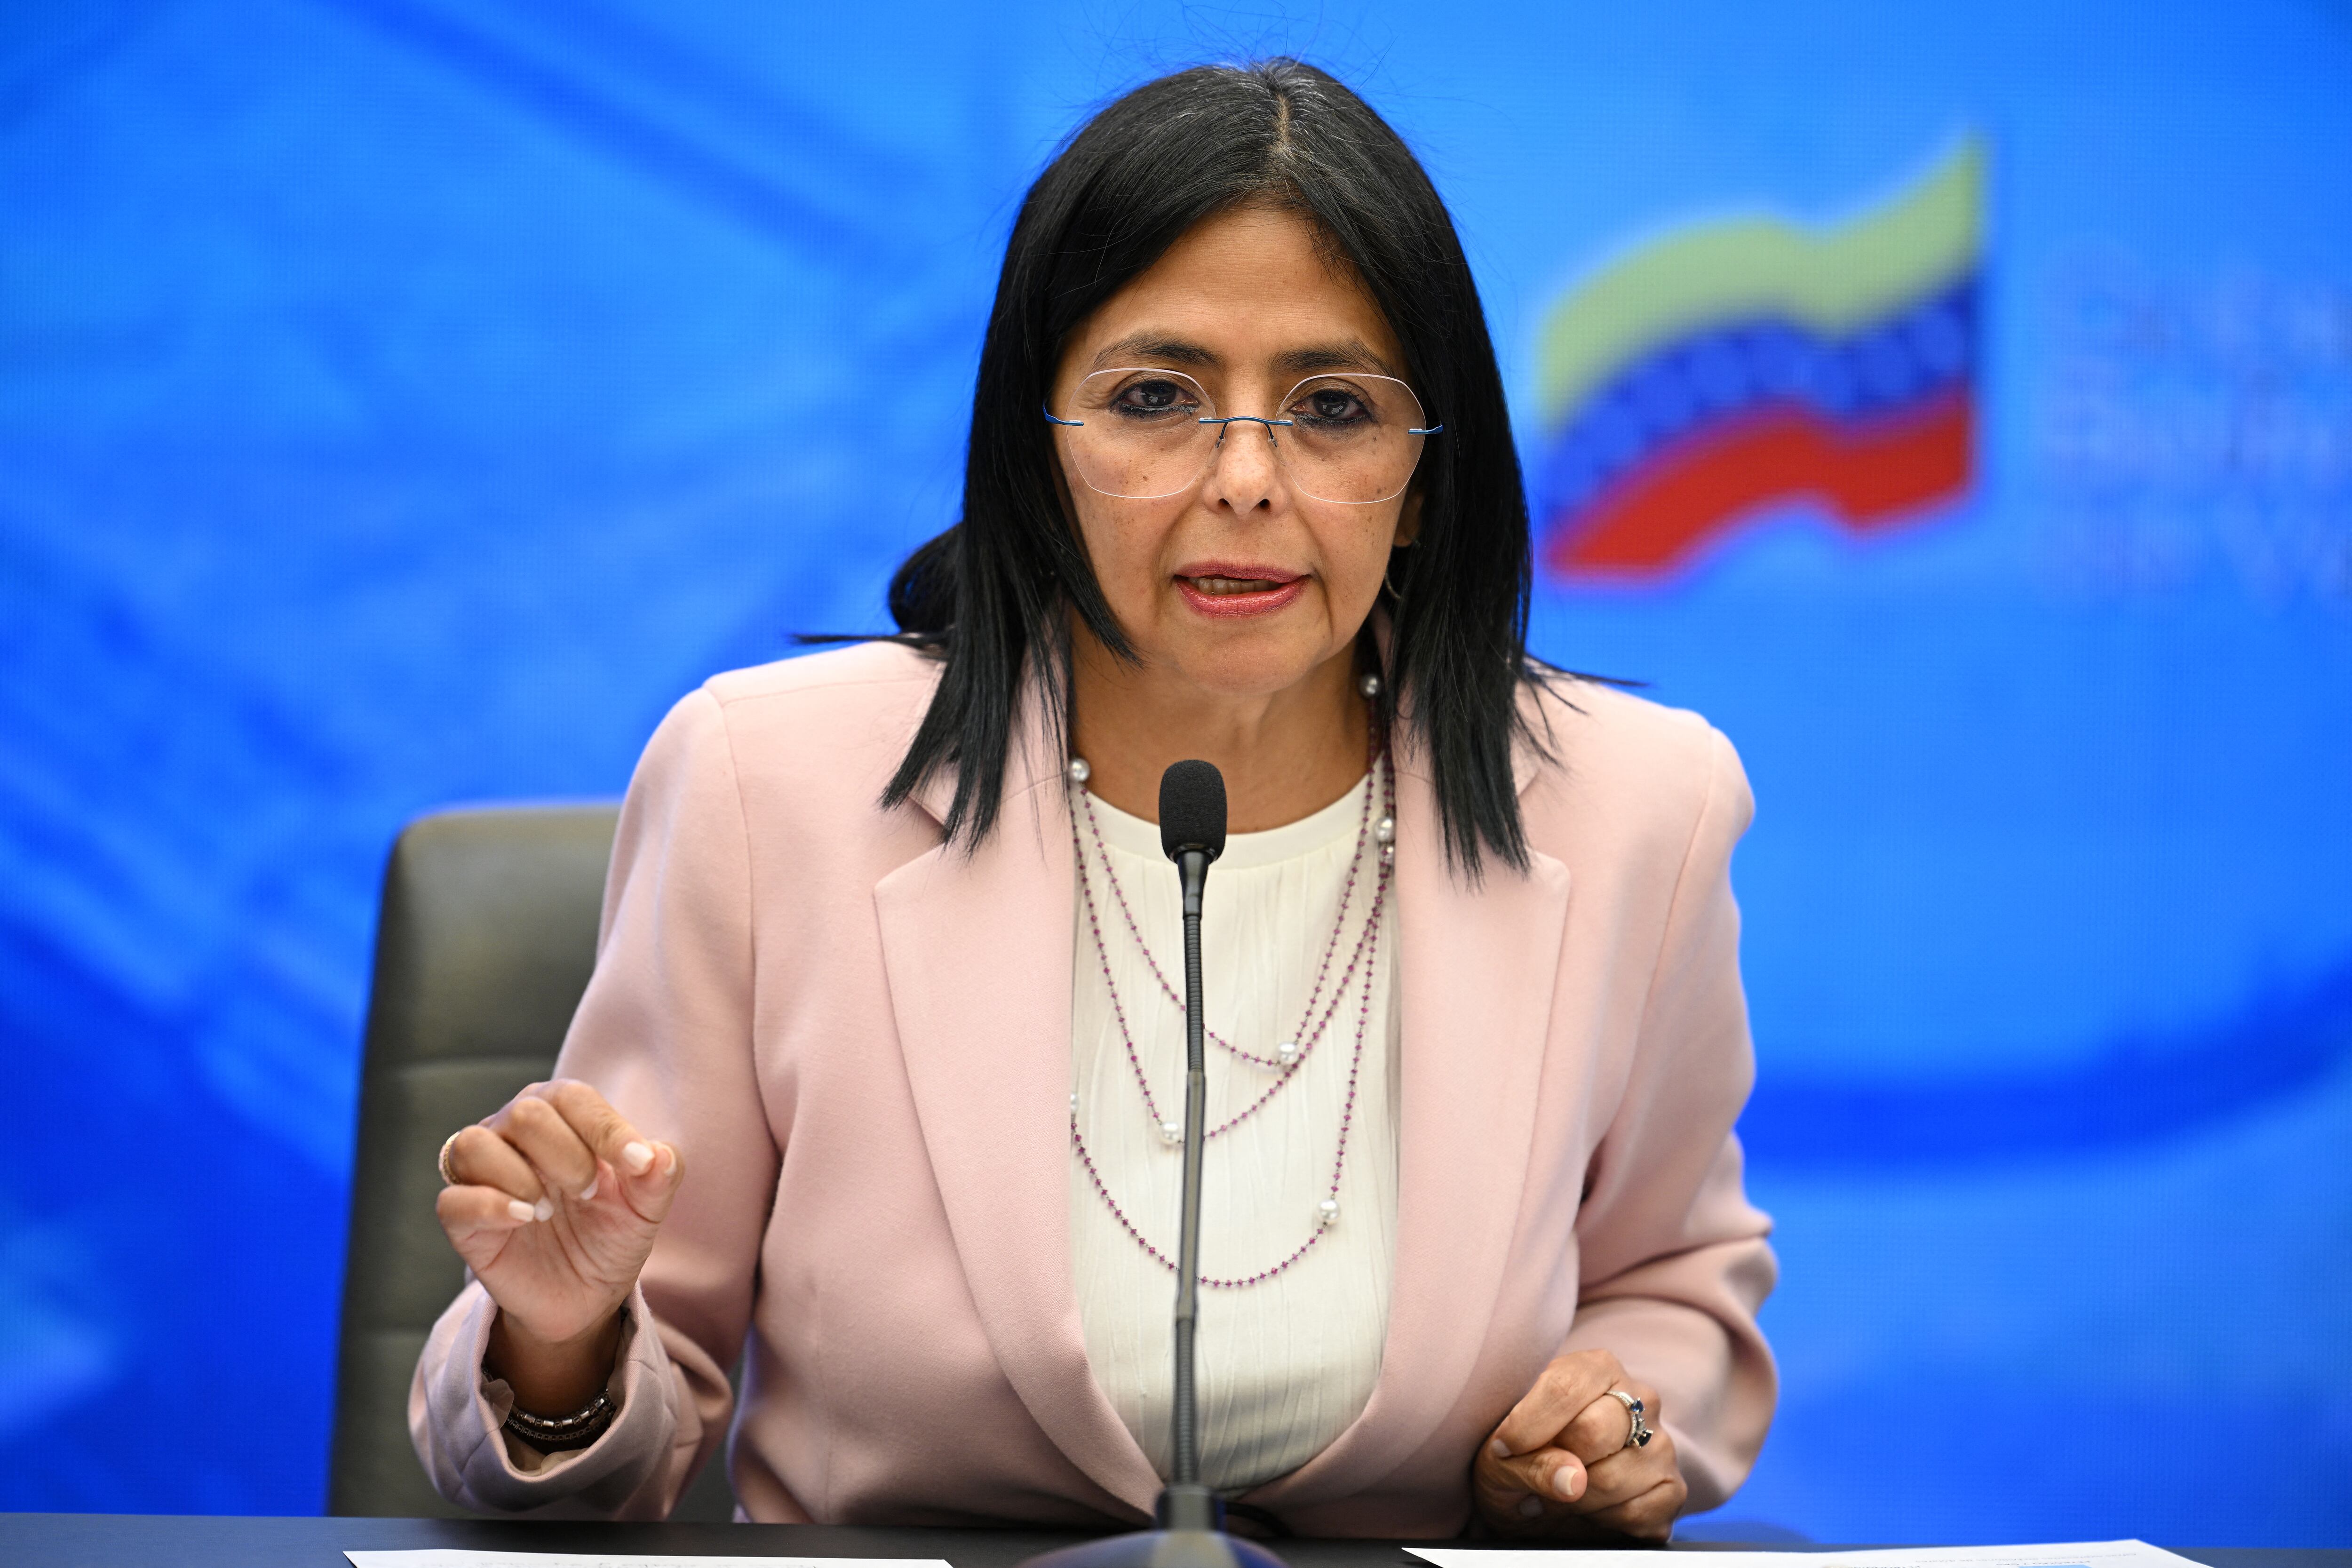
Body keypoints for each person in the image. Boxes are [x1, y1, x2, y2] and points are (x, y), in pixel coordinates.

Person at [413, 58, 1776, 1539]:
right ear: (1036, 448)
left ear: (1428, 473)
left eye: (1331, 408)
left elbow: (1673, 1293)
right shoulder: (769, 786)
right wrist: (563, 1349)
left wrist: (1616, 1420)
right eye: (1154, 398)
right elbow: (636, 1367)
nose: (1246, 479)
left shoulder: (1640, 806)